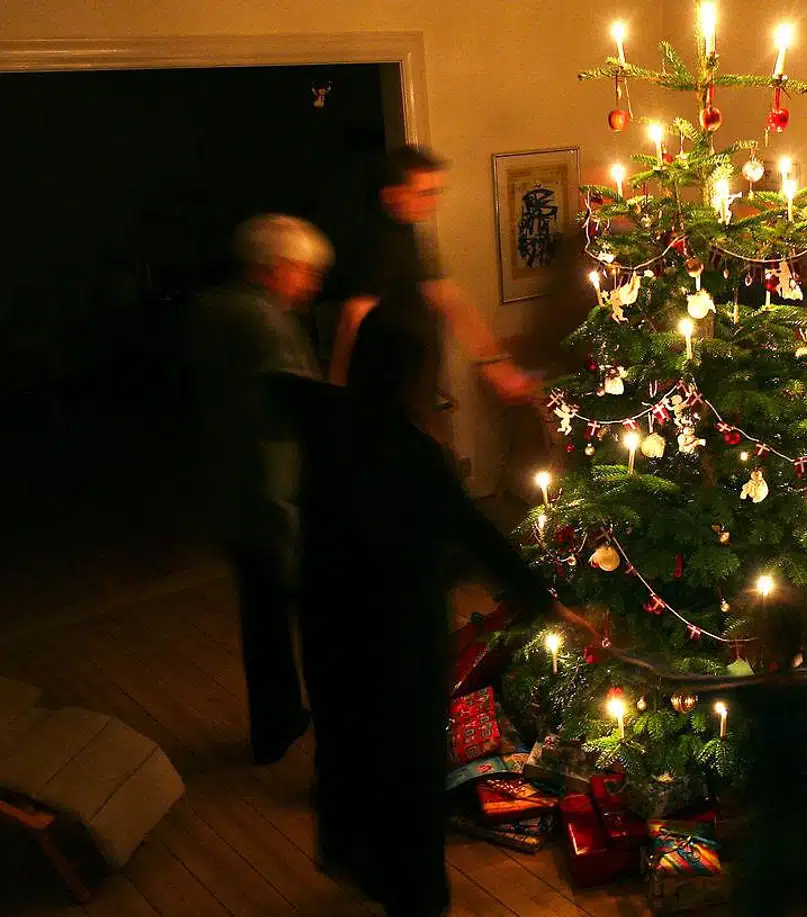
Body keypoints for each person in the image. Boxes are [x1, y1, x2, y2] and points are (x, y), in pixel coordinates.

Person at [271, 293, 589, 917]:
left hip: (330, 623)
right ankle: (415, 895)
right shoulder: (413, 456)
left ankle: (354, 854)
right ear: (413, 376)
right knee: (411, 764)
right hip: (398, 635)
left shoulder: (322, 416)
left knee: (347, 742)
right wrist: (547, 604)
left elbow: (275, 389)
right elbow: (478, 534)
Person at [191, 213, 332, 765]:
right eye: (305, 271)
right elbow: (303, 405)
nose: (311, 284)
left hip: (232, 483)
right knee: (315, 611)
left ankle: (276, 723)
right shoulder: (264, 322)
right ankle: (330, 728)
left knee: (262, 615)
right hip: (274, 488)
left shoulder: (212, 309)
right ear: (274, 268)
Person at [328, 145, 536, 408]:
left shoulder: (407, 233)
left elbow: (447, 298)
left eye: (436, 192)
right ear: (392, 194)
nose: (432, 202)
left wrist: (494, 364)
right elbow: (352, 318)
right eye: (424, 193)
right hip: (386, 390)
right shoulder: (378, 243)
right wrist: (335, 395)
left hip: (414, 381)